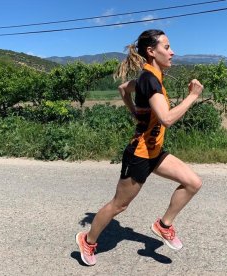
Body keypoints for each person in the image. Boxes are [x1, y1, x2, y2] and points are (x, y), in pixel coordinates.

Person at [76, 29, 204, 266]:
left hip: (155, 151)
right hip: (140, 155)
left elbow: (123, 88)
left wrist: (135, 111)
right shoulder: (149, 80)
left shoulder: (152, 76)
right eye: (167, 47)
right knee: (119, 205)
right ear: (151, 51)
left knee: (193, 183)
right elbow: (166, 118)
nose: (172, 52)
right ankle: (88, 240)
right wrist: (192, 97)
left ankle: (163, 225)